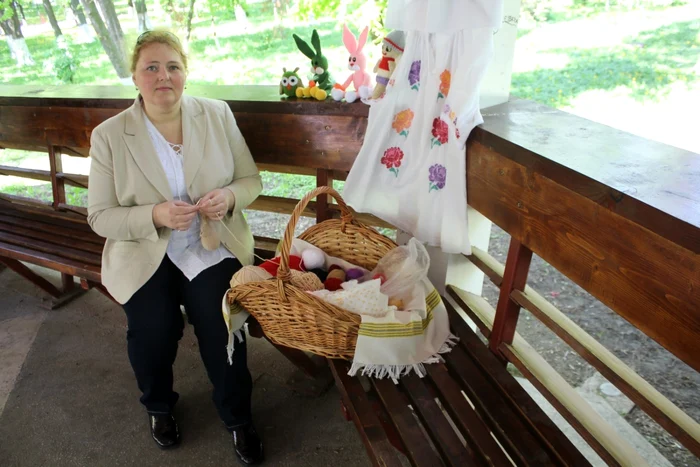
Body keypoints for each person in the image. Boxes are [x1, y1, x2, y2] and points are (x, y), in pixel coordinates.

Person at [87, 30, 264, 465]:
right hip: (144, 251)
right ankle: (159, 406)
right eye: (151, 67)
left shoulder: (216, 114)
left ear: (185, 73)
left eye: (173, 66)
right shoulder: (110, 136)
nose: (163, 76)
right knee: (153, 327)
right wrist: (155, 215)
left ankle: (238, 416)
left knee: (219, 319)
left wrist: (229, 198)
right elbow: (99, 216)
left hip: (211, 244)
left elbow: (251, 181)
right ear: (134, 76)